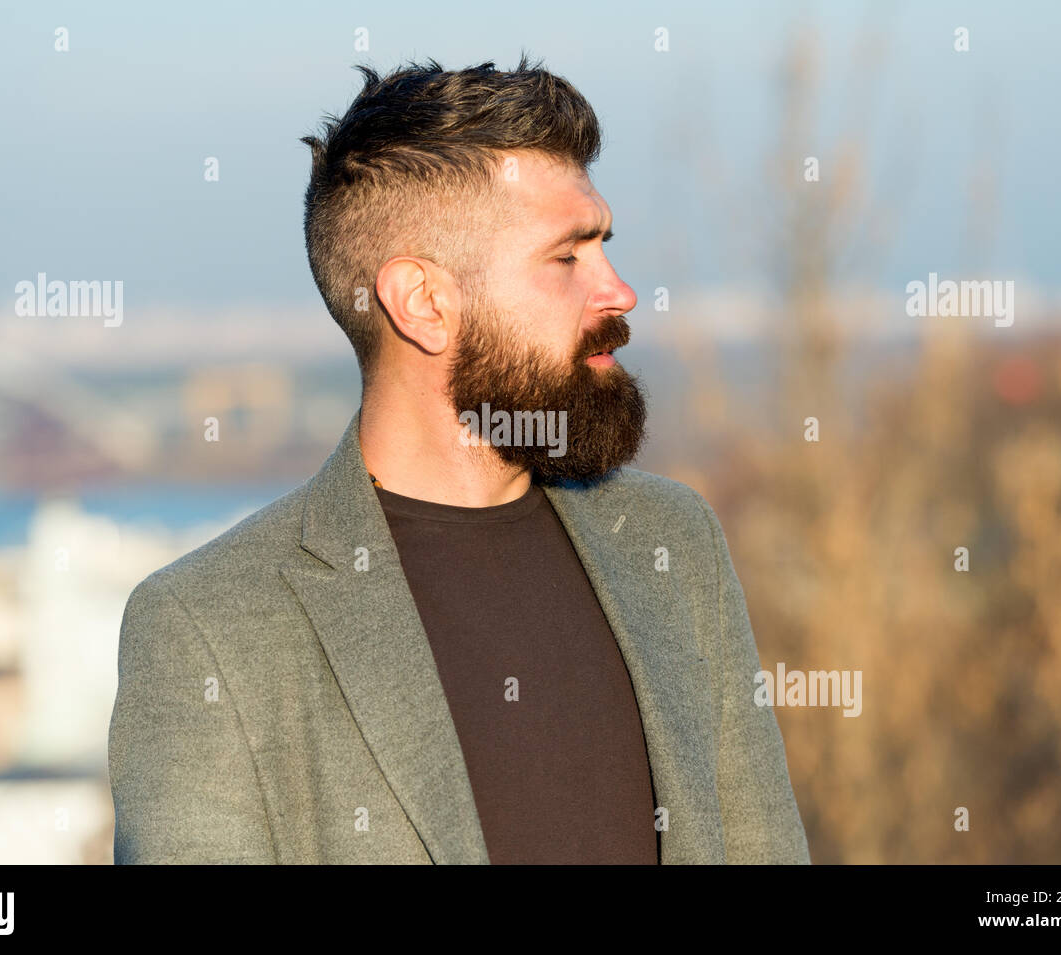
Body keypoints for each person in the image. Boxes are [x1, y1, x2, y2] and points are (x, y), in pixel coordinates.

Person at [108, 55, 810, 864]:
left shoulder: (672, 544)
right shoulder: (210, 629)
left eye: (605, 246)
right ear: (425, 303)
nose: (619, 291)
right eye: (568, 257)